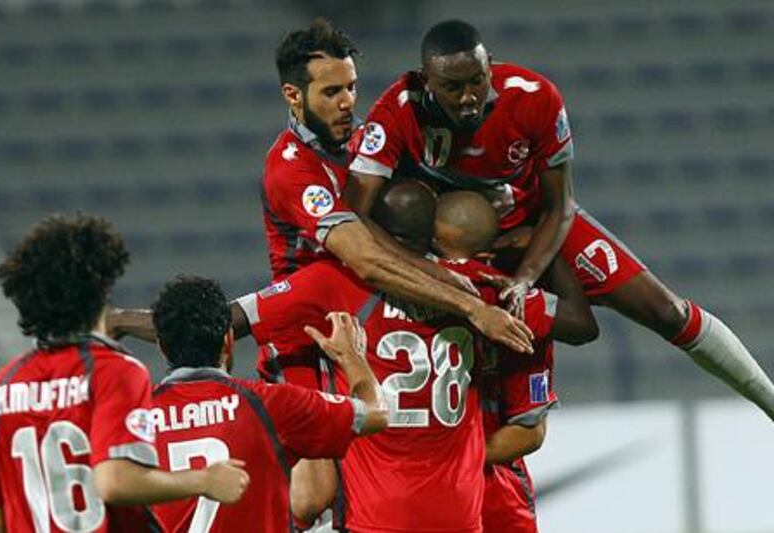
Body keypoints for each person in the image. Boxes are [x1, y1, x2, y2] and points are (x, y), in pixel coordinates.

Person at [345, 19, 774, 421]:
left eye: (477, 80)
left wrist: (528, 274)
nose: (468, 96)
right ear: (425, 82)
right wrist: (424, 267)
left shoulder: (534, 96)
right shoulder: (397, 111)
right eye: (452, 87)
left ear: (489, 66)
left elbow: (560, 205)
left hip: (536, 222)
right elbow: (358, 215)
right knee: (402, 203)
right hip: (454, 241)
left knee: (667, 311)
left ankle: (769, 401)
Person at [262, 18, 533, 354]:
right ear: (293, 95)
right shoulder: (290, 167)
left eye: (351, 87)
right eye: (332, 92)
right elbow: (366, 260)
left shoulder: (369, 141)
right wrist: (471, 306)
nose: (347, 102)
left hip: (367, 315)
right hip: (309, 334)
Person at [234, 181, 488, 531]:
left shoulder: (335, 282)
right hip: (461, 513)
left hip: (379, 515)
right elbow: (578, 323)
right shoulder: (478, 286)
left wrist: (132, 319)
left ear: (372, 229)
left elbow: (229, 319)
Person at [0, 214, 248, 533]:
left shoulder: (3, 386)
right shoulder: (114, 370)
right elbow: (113, 480)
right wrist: (204, 480)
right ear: (99, 292)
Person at [147, 276, 388, 532]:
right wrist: (352, 356)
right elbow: (376, 413)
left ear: (162, 347)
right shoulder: (269, 403)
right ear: (228, 339)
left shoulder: (136, 415)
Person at [433, 191, 596, 532]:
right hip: (495, 494)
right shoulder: (515, 301)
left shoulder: (396, 286)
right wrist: (545, 252)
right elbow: (528, 432)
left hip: (408, 482)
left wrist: (433, 461)